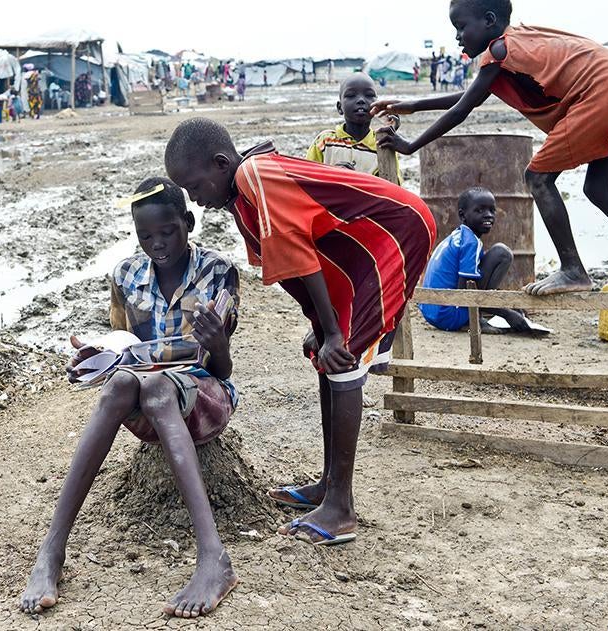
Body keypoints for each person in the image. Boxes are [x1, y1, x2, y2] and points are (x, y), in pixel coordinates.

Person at [165, 118, 436, 546]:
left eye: (196, 188)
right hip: (356, 249)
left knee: (342, 358)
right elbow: (295, 268)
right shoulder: (243, 196)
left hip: (391, 233)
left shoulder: (255, 176)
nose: (196, 201)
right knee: (326, 357)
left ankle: (341, 508)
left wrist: (332, 332)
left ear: (220, 164)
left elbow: (300, 252)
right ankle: (329, 485)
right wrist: (319, 327)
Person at [19, 177, 242, 618]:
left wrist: (217, 346)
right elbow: (119, 343)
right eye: (145, 236)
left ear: (189, 222)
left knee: (157, 386)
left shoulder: (219, 272)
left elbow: (216, 367)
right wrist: (95, 357)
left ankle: (213, 557)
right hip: (145, 402)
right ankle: (52, 551)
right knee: (121, 384)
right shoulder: (125, 275)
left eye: (167, 232)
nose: (156, 244)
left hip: (206, 398)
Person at [374, 0, 608, 296]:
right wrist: (412, 106)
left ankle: (573, 270)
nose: (457, 37)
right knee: (597, 187)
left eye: (461, 27)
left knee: (538, 178)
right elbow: (473, 95)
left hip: (601, 92)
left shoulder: (500, 50)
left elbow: (460, 111)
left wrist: (411, 145)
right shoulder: (515, 44)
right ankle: (573, 269)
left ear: (489, 20)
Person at [420, 187, 532, 332]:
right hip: (448, 316)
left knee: (496, 254)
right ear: (463, 215)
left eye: (492, 210)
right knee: (502, 253)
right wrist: (507, 314)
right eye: (480, 211)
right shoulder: (470, 243)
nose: (488, 216)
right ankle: (476, 319)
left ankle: (481, 312)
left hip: (432, 312)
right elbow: (465, 291)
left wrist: (508, 305)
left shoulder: (459, 236)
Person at [306, 73, 399, 178]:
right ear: (340, 108)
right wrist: (332, 174)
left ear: (377, 105)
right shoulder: (325, 141)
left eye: (369, 95)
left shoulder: (383, 144)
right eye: (351, 95)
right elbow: (307, 177)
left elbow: (393, 184)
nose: (361, 100)